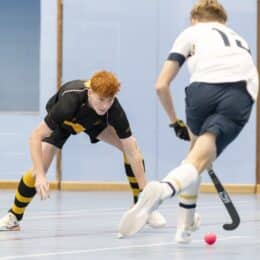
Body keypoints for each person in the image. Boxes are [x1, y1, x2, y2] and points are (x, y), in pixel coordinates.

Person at [118, 0, 259, 243]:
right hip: (238, 92)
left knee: (193, 159)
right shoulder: (239, 39)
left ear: (195, 18)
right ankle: (163, 190)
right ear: (222, 20)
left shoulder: (190, 33)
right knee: (198, 160)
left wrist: (175, 123)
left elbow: (161, 85)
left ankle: (185, 226)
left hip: (200, 90)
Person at [0, 70, 166, 231]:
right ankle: (14, 216)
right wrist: (41, 175)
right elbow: (35, 137)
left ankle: (142, 205)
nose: (105, 105)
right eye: (101, 99)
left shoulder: (113, 109)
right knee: (38, 169)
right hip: (64, 123)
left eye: (110, 100)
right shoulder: (69, 103)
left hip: (92, 122)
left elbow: (132, 152)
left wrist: (147, 195)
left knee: (131, 145)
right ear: (90, 92)